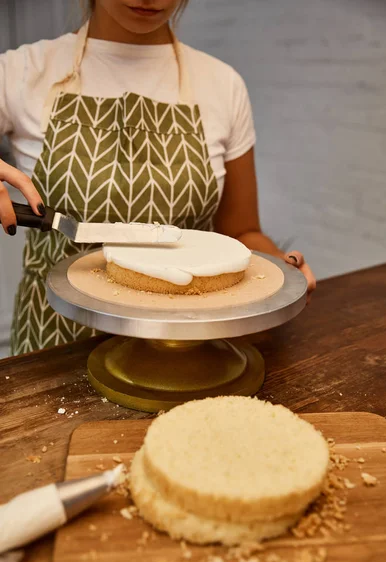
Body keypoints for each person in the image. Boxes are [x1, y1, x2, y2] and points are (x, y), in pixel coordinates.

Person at [0, 0, 316, 355]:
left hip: (188, 348)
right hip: (57, 344)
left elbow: (242, 232)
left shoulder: (222, 85)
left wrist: (281, 271)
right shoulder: (19, 71)